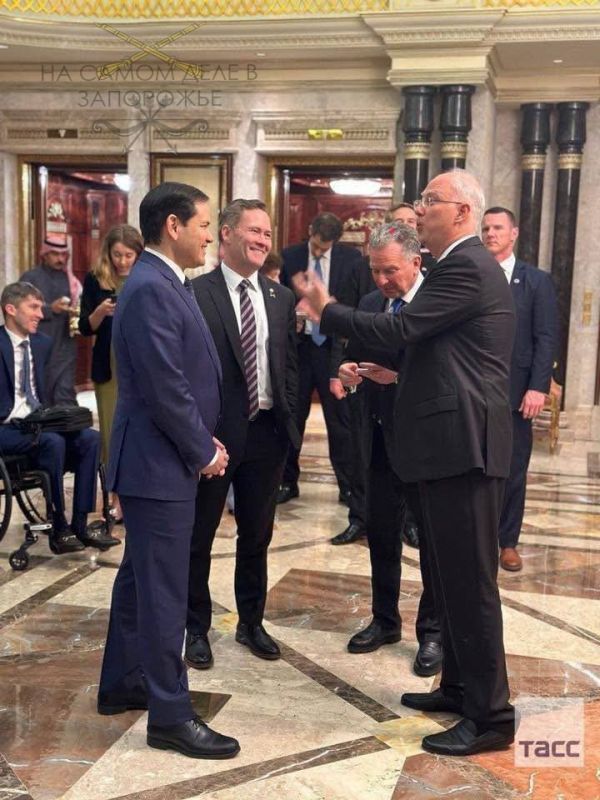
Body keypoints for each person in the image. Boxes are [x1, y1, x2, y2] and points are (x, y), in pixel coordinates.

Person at [294, 169, 516, 757]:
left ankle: (491, 717)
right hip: (448, 446)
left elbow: (403, 325)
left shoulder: (467, 265)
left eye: (430, 201)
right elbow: (441, 353)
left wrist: (328, 310)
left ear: (462, 212)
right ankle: (459, 689)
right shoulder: (456, 266)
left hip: (465, 448)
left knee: (470, 586)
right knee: (450, 580)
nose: (419, 210)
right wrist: (397, 374)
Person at [97, 182, 239, 760]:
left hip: (158, 460)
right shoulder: (153, 286)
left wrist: (202, 437)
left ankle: (123, 681)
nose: (209, 236)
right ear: (174, 226)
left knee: (140, 580)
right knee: (164, 591)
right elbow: (164, 386)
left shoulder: (163, 280)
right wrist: (202, 449)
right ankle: (171, 716)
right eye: (204, 225)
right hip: (158, 464)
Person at [185, 199, 299, 669]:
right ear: (227, 234)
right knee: (200, 535)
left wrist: (291, 424)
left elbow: (289, 366)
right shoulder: (196, 292)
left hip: (268, 434)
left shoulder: (280, 297)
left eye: (267, 234)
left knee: (257, 535)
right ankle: (195, 627)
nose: (262, 240)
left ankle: (252, 622)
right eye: (254, 231)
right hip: (216, 439)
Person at [337, 222, 441, 677]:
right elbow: (354, 353)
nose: (381, 280)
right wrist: (347, 370)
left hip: (427, 444)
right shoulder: (369, 304)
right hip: (378, 438)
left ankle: (433, 632)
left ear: (416, 263)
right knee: (381, 533)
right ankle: (384, 620)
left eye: (390, 271)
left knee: (432, 543)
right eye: (375, 270)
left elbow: (446, 371)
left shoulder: (438, 301)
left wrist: (397, 379)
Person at [0, 282, 115, 553]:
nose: (41, 315)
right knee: (53, 442)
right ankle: (58, 526)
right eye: (34, 307)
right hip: (5, 428)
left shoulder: (42, 344)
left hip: (38, 423)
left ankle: (80, 525)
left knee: (90, 438)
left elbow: (53, 391)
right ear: (10, 309)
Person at [482, 206, 558, 572]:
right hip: (475, 389)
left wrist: (538, 387)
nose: (491, 234)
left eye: (498, 227)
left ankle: (507, 542)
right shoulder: (473, 275)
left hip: (516, 392)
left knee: (513, 470)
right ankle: (476, 539)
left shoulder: (536, 281)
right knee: (475, 468)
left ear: (513, 233)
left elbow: (546, 337)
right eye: (485, 228)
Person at [278, 212, 364, 506]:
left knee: (340, 423)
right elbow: (280, 299)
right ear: (310, 230)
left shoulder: (351, 260)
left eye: (323, 248)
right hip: (300, 349)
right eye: (315, 245)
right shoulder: (289, 256)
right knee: (293, 416)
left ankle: (347, 487)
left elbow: (354, 305)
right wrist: (294, 315)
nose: (317, 251)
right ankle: (287, 481)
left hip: (333, 349)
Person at [79, 225, 143, 523]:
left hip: (139, 364)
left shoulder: (147, 277)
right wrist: (100, 312)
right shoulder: (96, 279)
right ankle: (115, 499)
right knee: (111, 434)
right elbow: (85, 327)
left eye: (128, 255)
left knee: (138, 433)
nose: (122, 261)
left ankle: (137, 496)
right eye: (117, 255)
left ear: (138, 254)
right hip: (108, 365)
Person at [21, 236, 80, 406]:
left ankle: (67, 422)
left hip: (65, 345)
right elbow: (19, 310)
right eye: (55, 254)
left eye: (63, 254)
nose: (60, 259)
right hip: (39, 344)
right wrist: (49, 309)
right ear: (45, 254)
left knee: (64, 392)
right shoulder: (30, 278)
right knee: (42, 392)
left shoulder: (70, 280)